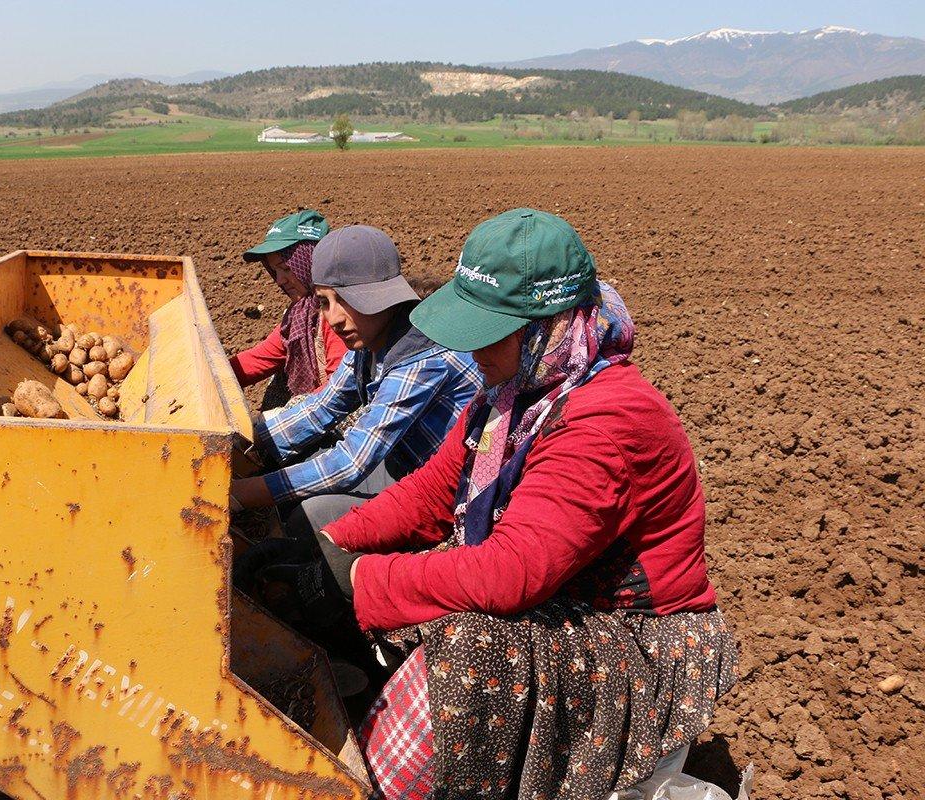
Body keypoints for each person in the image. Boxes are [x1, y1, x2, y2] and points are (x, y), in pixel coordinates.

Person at [310, 209, 739, 800]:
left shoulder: (606, 418)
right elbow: (434, 493)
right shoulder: (514, 394)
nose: (473, 346)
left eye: (490, 329)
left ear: (546, 326)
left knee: (472, 649)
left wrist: (360, 580)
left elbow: (513, 573)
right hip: (563, 602)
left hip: (634, 637)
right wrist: (335, 545)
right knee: (330, 528)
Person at [230, 225, 481, 540]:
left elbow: (351, 462)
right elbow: (321, 407)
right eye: (324, 302)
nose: (333, 318)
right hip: (404, 462)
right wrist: (241, 441)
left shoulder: (419, 356)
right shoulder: (370, 338)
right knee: (302, 478)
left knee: (313, 517)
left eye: (345, 299)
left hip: (450, 489)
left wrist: (242, 494)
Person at [231, 210, 347, 408]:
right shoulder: (300, 313)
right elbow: (260, 358)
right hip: (323, 405)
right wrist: (212, 375)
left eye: (285, 268)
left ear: (308, 261)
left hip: (348, 411)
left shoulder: (339, 311)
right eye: (274, 271)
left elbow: (341, 388)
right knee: (280, 381)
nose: (279, 280)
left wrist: (284, 418)